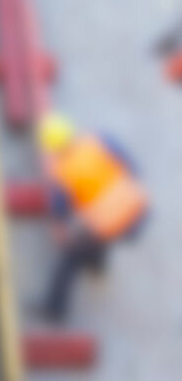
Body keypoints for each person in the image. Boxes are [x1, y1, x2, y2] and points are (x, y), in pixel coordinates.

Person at [37, 112, 148, 325]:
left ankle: (53, 308)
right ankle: (97, 265)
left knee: (70, 257)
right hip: (134, 208)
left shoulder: (62, 170)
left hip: (108, 220)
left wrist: (60, 232)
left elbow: (61, 209)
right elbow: (130, 164)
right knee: (95, 236)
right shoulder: (99, 141)